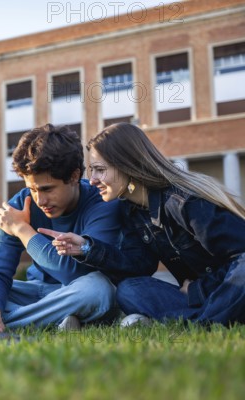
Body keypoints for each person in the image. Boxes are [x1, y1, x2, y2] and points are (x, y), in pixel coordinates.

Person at [44, 122, 245, 326]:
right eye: (92, 170)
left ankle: (204, 323)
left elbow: (240, 258)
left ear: (126, 165)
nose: (93, 180)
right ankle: (205, 319)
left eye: (99, 170)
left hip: (226, 289)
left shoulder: (184, 203)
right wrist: (87, 248)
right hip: (198, 298)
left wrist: (198, 291)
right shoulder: (131, 209)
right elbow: (140, 265)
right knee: (130, 290)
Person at [0, 124, 121, 332]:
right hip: (36, 293)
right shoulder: (20, 204)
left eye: (47, 189)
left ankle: (16, 324)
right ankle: (48, 320)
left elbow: (75, 273)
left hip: (78, 290)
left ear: (74, 176)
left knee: (99, 289)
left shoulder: (102, 202)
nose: (40, 200)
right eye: (32, 189)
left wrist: (22, 229)